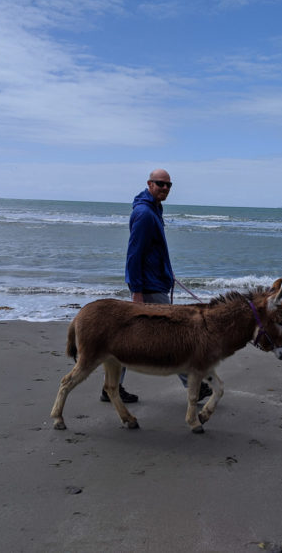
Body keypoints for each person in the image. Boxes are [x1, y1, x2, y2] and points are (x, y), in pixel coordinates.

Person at [100, 169, 212, 403]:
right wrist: (137, 293)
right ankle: (195, 386)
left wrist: (166, 273)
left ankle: (110, 387)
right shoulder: (144, 213)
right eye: (160, 184)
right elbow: (134, 254)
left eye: (169, 185)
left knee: (128, 339)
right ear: (149, 184)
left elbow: (153, 251)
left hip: (156, 282)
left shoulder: (153, 209)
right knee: (173, 338)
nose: (165, 188)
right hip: (149, 288)